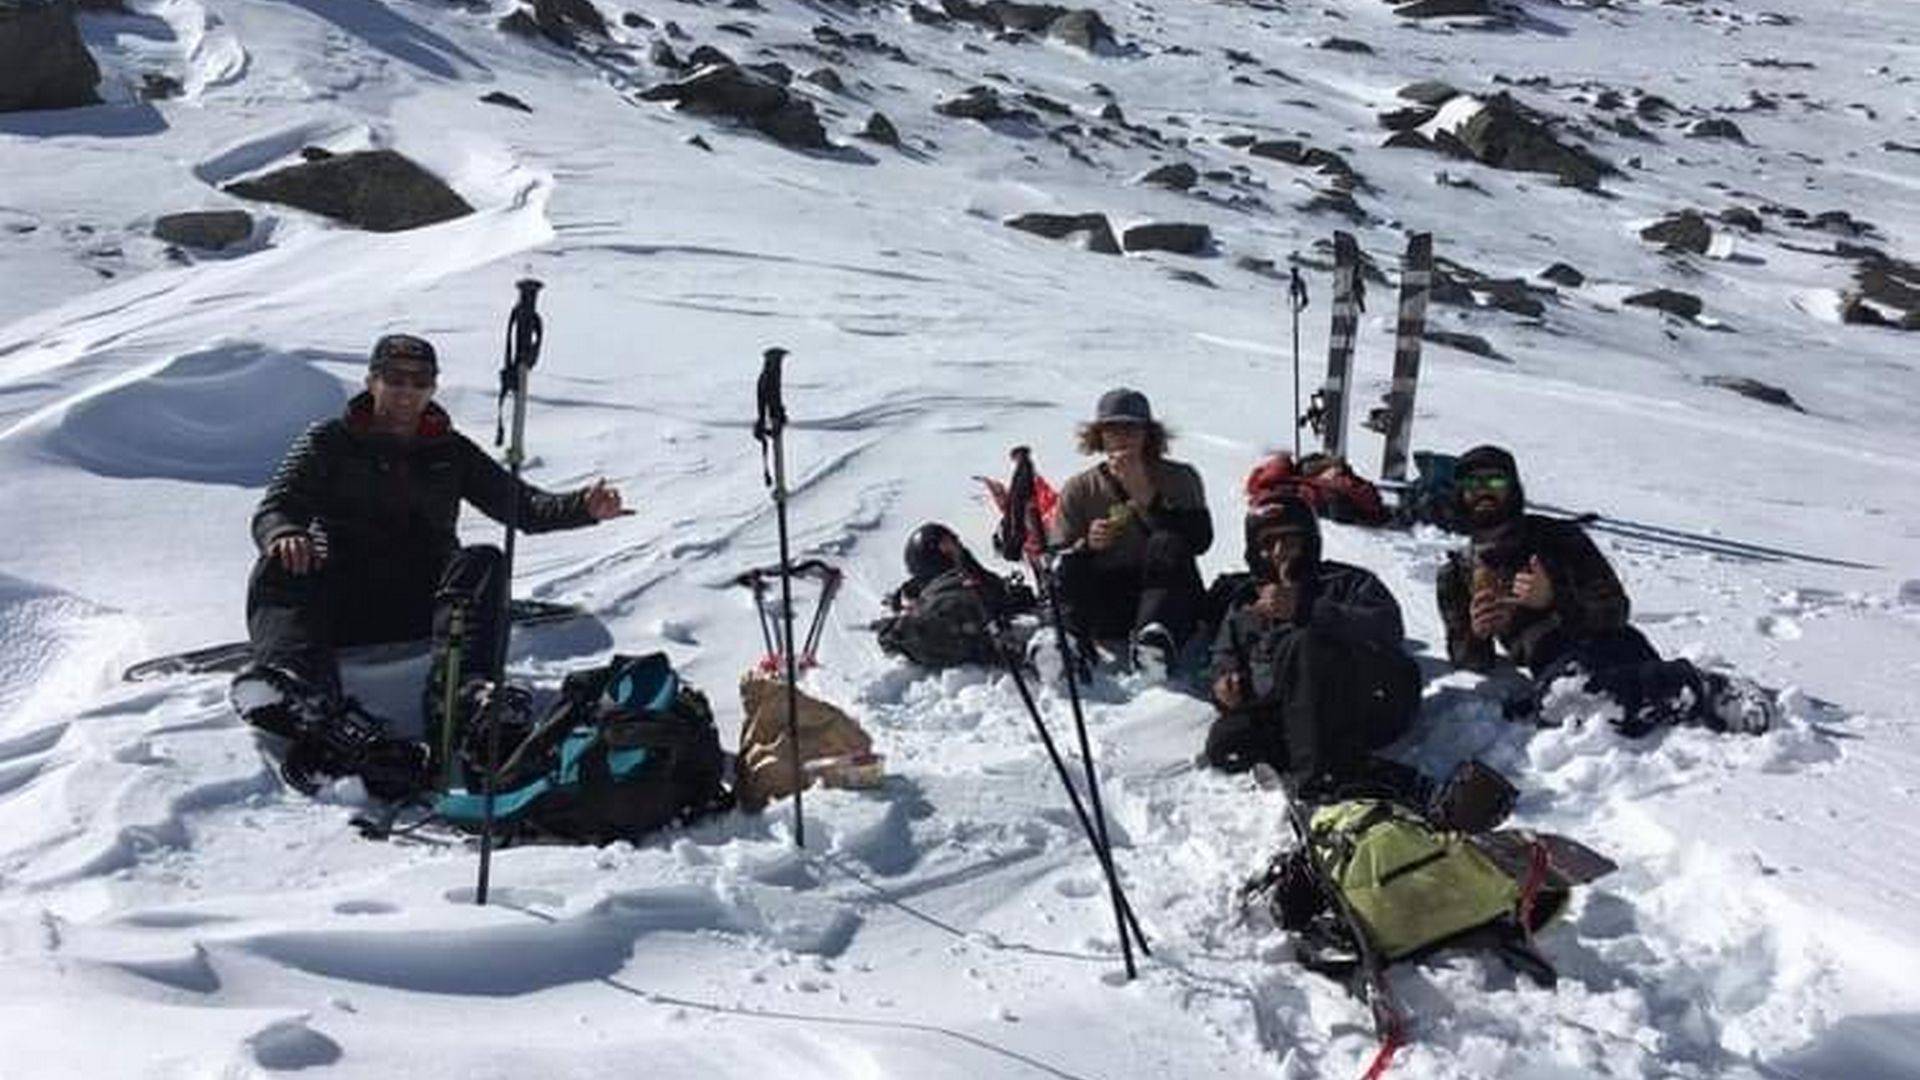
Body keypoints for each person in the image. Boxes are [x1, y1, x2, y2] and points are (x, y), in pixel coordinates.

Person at [233, 333, 625, 786]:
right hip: (341, 600)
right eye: (395, 379)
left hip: (428, 606)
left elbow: (521, 507)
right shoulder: (328, 441)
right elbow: (276, 507)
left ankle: (469, 695)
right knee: (280, 560)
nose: (406, 390)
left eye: (419, 381)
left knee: (484, 560)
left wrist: (583, 507)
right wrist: (284, 532)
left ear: (432, 388)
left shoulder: (450, 450)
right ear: (372, 381)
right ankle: (302, 688)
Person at [1435, 444, 1775, 735]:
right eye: (1472, 482)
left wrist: (1553, 599)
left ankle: (1709, 689)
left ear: (1513, 487)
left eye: (1494, 479)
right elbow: (1469, 661)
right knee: (1561, 704)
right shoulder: (1457, 575)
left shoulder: (1559, 537)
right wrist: (1479, 632)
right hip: (1554, 664)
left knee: (1568, 701)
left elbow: (1616, 610)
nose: (1483, 491)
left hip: (1610, 644)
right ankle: (1662, 693)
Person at [1204, 494, 1421, 794]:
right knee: (1227, 743)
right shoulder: (1245, 600)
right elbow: (1223, 653)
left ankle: (1323, 779)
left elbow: (1386, 628)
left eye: (1289, 541)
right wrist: (1224, 683)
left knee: (1304, 642)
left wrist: (1307, 608)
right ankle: (1348, 765)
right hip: (1289, 709)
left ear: (1309, 541)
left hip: (1368, 700)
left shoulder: (1346, 581)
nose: (1279, 553)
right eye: (1268, 544)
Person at [1048, 387, 1212, 674]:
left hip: (1168, 594)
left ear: (1148, 434)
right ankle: (1068, 645)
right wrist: (1088, 544)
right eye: (1113, 429)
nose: (1122, 437)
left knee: (1166, 541)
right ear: (1099, 435)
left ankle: (1155, 643)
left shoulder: (1180, 478)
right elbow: (1057, 555)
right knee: (1072, 564)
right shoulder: (1080, 487)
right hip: (1109, 598)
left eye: (1131, 429)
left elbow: (1199, 540)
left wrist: (1149, 497)